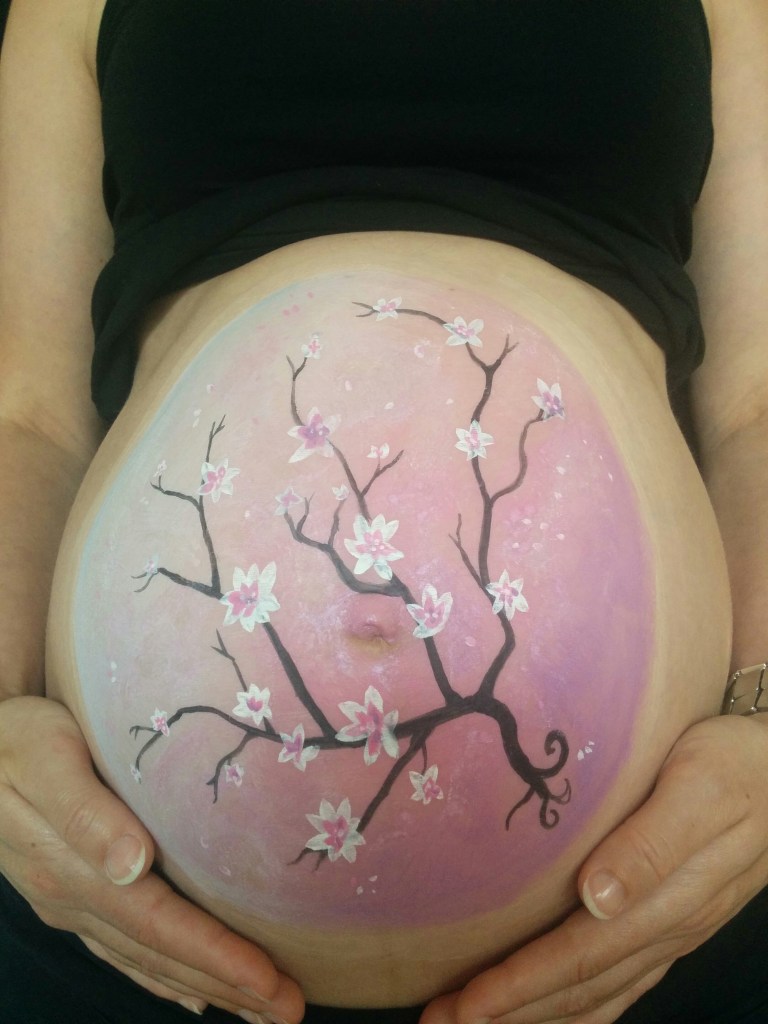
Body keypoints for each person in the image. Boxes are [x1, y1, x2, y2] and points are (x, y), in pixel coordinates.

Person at [1, 1, 767, 1023]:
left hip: (661, 913)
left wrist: (766, 725)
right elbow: (30, 419)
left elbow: (757, 408)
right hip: (113, 922)